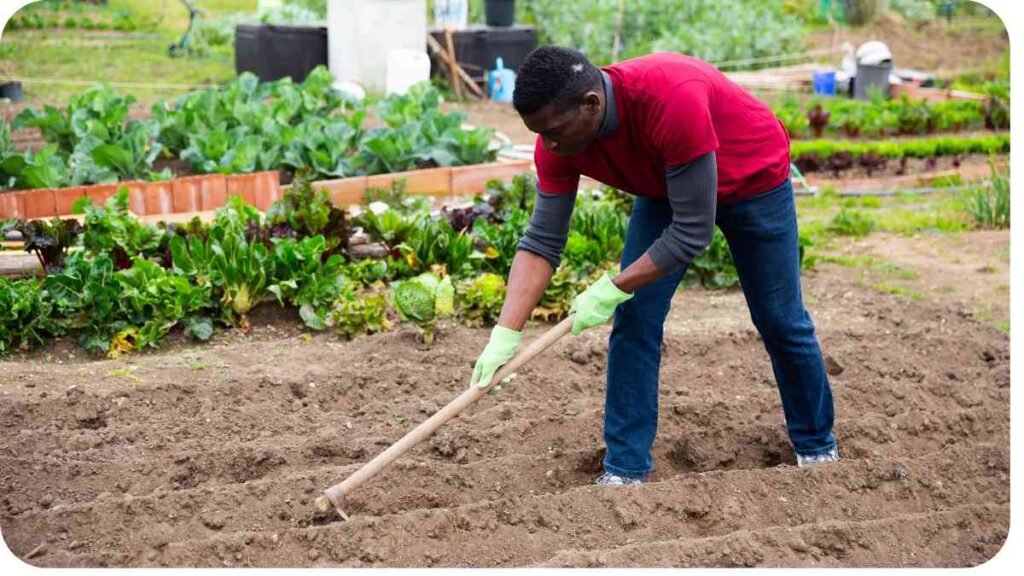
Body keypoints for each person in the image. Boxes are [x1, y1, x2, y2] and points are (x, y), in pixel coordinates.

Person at [469, 46, 839, 486]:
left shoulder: (670, 96)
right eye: (538, 133)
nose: (547, 145)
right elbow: (543, 241)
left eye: (553, 131)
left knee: (780, 319)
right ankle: (625, 468)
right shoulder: (558, 141)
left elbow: (691, 233)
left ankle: (817, 446)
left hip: (752, 177)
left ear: (591, 104)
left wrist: (613, 286)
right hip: (668, 182)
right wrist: (505, 334)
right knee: (636, 318)